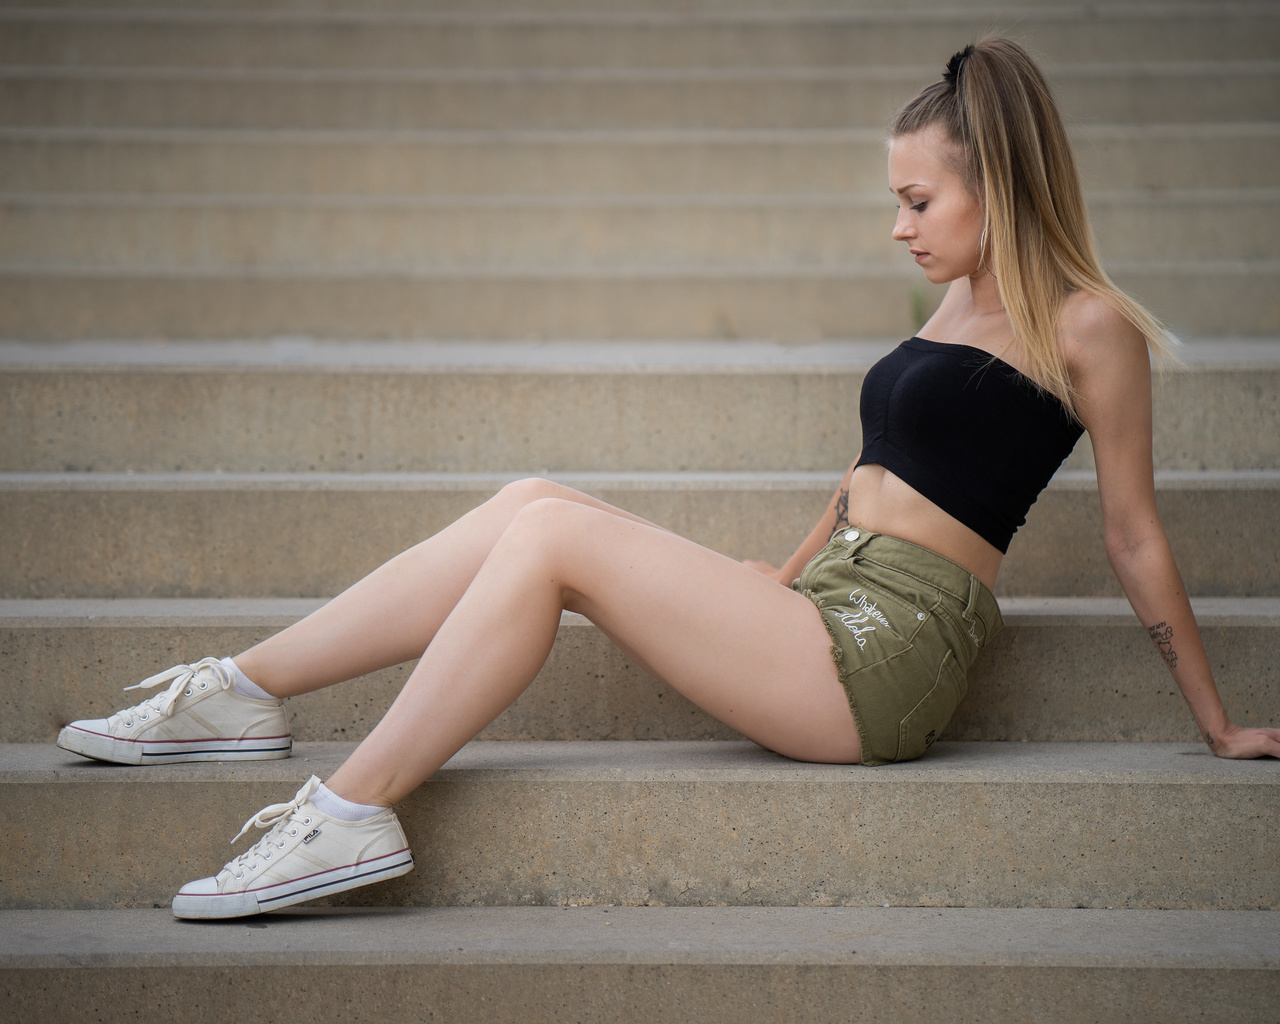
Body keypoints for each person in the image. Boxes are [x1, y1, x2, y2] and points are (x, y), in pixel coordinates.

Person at [56, 38, 1280, 921]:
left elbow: (1130, 535)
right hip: (829, 607)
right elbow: (870, 472)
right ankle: (242, 691)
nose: (895, 227)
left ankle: (354, 807)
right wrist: (784, 575)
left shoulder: (1086, 328)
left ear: (996, 184)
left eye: (916, 199)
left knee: (548, 548)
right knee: (532, 500)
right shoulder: (955, 299)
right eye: (894, 200)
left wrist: (1214, 724)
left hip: (896, 653)